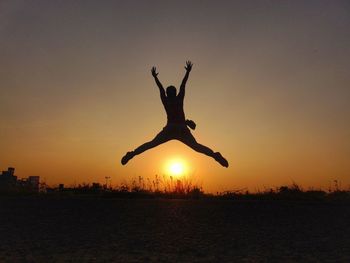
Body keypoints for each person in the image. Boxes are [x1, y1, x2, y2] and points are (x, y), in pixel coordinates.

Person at [121, 61, 228, 167]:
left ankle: (132, 154)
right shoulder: (177, 99)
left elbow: (164, 89)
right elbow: (181, 86)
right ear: (174, 93)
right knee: (196, 147)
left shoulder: (167, 100)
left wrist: (155, 78)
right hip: (179, 128)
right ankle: (215, 155)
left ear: (169, 93)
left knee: (151, 144)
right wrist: (187, 73)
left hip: (173, 128)